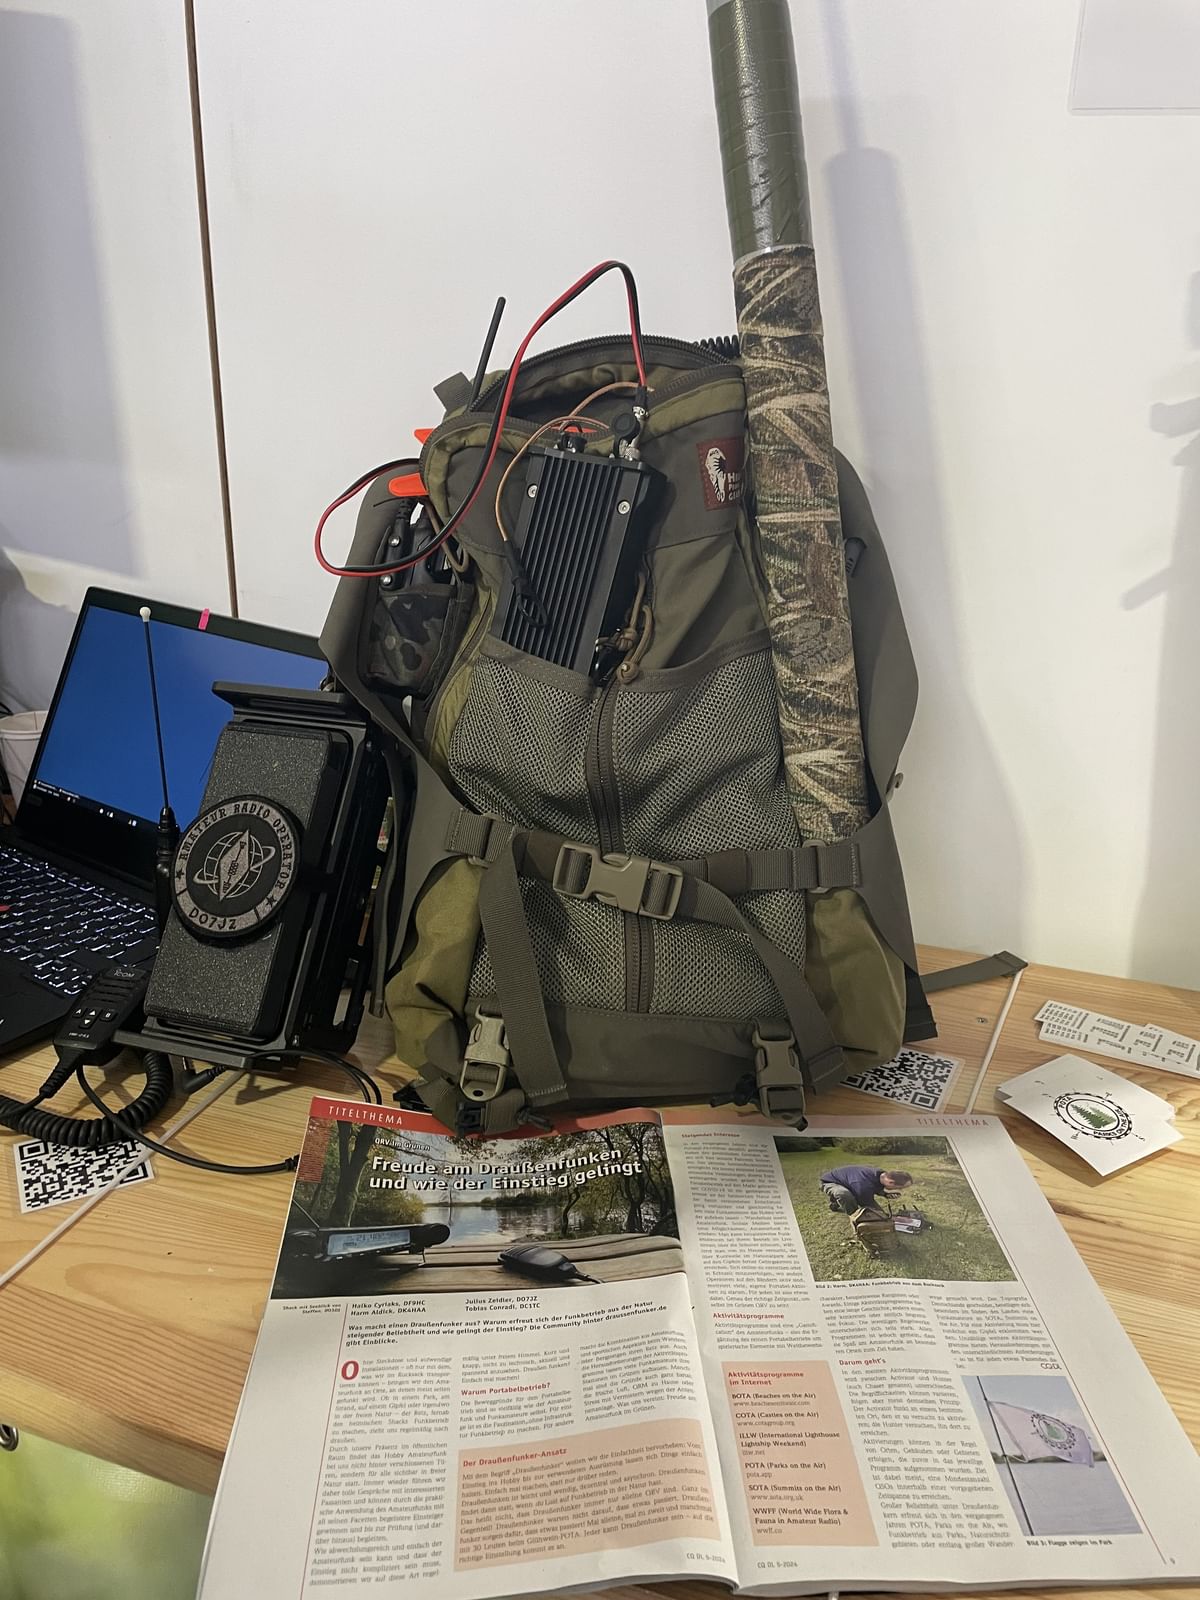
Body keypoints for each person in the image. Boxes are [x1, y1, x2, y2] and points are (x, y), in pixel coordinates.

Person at [819, 1163, 912, 1215]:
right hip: (830, 1181)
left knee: (851, 1193)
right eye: (900, 1187)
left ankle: (835, 1203)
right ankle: (854, 1217)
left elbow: (874, 1185)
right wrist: (880, 1214)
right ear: (891, 1182)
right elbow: (867, 1203)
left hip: (848, 1181)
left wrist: (885, 1194)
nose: (900, 1190)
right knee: (844, 1194)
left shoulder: (881, 1175)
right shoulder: (863, 1184)